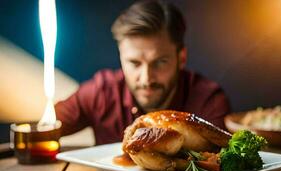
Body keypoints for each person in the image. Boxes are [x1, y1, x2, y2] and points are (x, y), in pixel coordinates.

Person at [55, 0, 231, 145]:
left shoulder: (209, 101)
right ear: (121, 57)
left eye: (160, 62)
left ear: (182, 57)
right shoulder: (101, 92)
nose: (146, 78)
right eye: (134, 63)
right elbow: (43, 130)